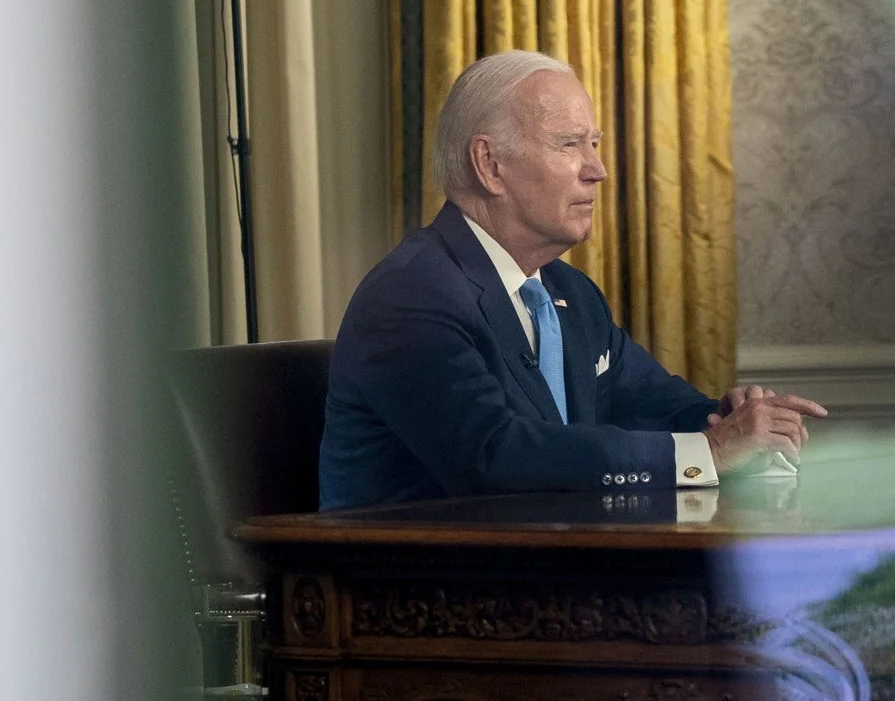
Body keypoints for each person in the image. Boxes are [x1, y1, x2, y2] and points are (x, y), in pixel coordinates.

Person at [320, 49, 826, 509]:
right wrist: (712, 451)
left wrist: (735, 421)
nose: (599, 170)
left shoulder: (569, 293)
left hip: (546, 574)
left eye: (595, 143)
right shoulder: (411, 297)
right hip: (418, 589)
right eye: (569, 145)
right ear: (489, 164)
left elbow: (657, 407)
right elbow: (496, 457)